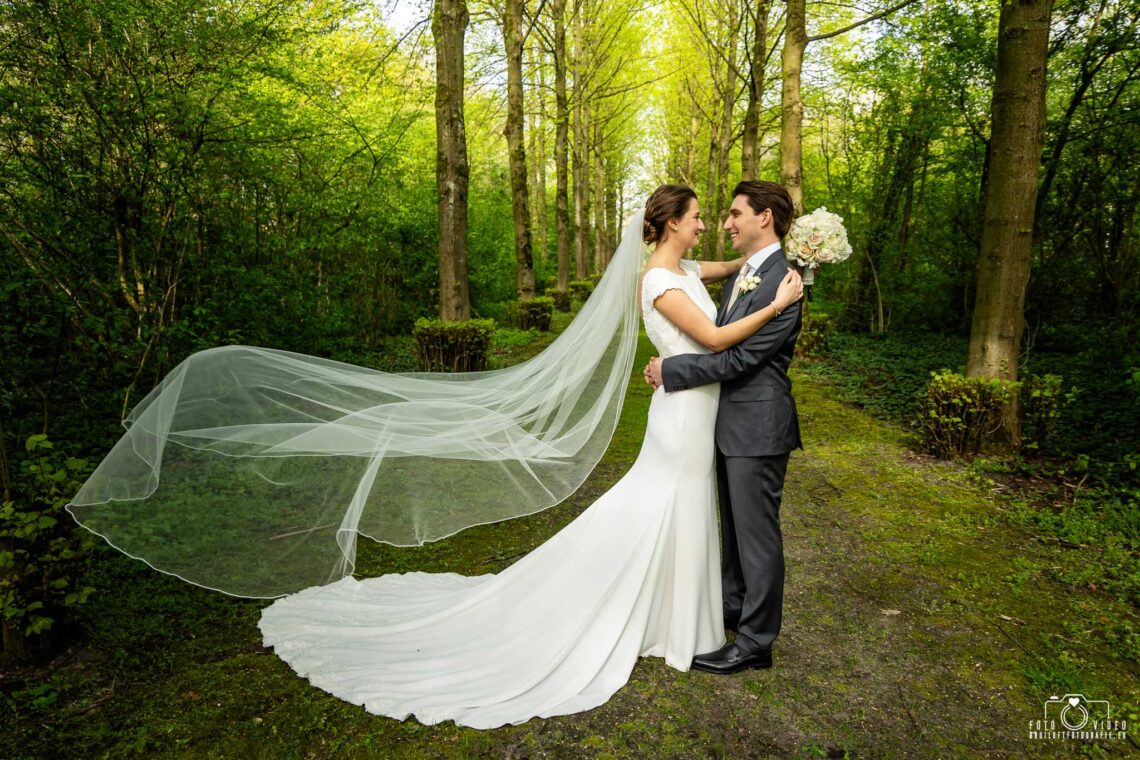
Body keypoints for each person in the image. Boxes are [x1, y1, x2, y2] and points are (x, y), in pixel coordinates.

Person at [255, 185, 803, 727]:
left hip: (703, 411)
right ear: (673, 224)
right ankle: (656, 613)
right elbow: (712, 337)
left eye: (722, 216)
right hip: (683, 416)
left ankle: (688, 613)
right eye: (699, 217)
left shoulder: (688, 270)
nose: (709, 224)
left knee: (680, 509)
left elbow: (733, 267)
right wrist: (778, 302)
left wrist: (784, 258)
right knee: (661, 503)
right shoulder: (660, 278)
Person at [646, 180, 803, 675]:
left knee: (756, 536)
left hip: (759, 424)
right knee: (733, 530)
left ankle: (756, 642)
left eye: (735, 213)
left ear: (765, 218)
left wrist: (673, 371)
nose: (725, 223)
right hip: (724, 423)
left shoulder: (786, 281)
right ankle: (735, 608)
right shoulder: (749, 272)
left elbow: (740, 357)